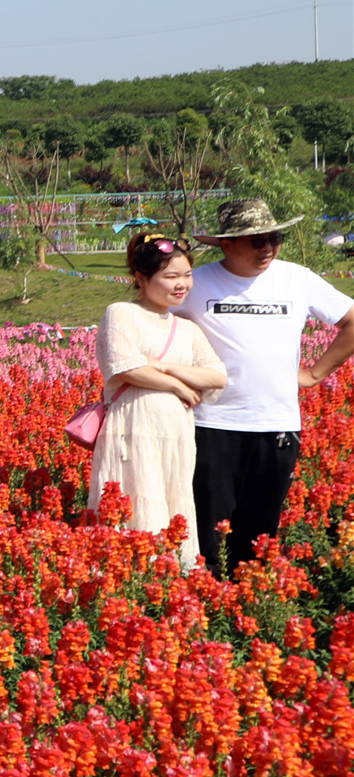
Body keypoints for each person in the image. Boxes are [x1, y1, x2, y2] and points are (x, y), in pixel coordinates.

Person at [177, 197, 354, 571]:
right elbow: (152, 325)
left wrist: (315, 373)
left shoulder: (297, 279)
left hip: (276, 425)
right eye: (256, 240)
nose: (268, 247)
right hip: (210, 425)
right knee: (208, 536)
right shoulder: (197, 283)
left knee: (259, 537)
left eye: (274, 238)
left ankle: (247, 611)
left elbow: (351, 321)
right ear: (226, 244)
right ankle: (207, 610)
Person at [88, 233, 227, 566]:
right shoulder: (121, 313)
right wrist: (178, 385)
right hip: (132, 429)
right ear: (141, 278)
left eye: (187, 275)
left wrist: (162, 365)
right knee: (133, 502)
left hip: (176, 436)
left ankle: (171, 585)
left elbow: (216, 376)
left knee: (172, 502)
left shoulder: (186, 328)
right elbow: (127, 367)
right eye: (170, 277)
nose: (181, 285)